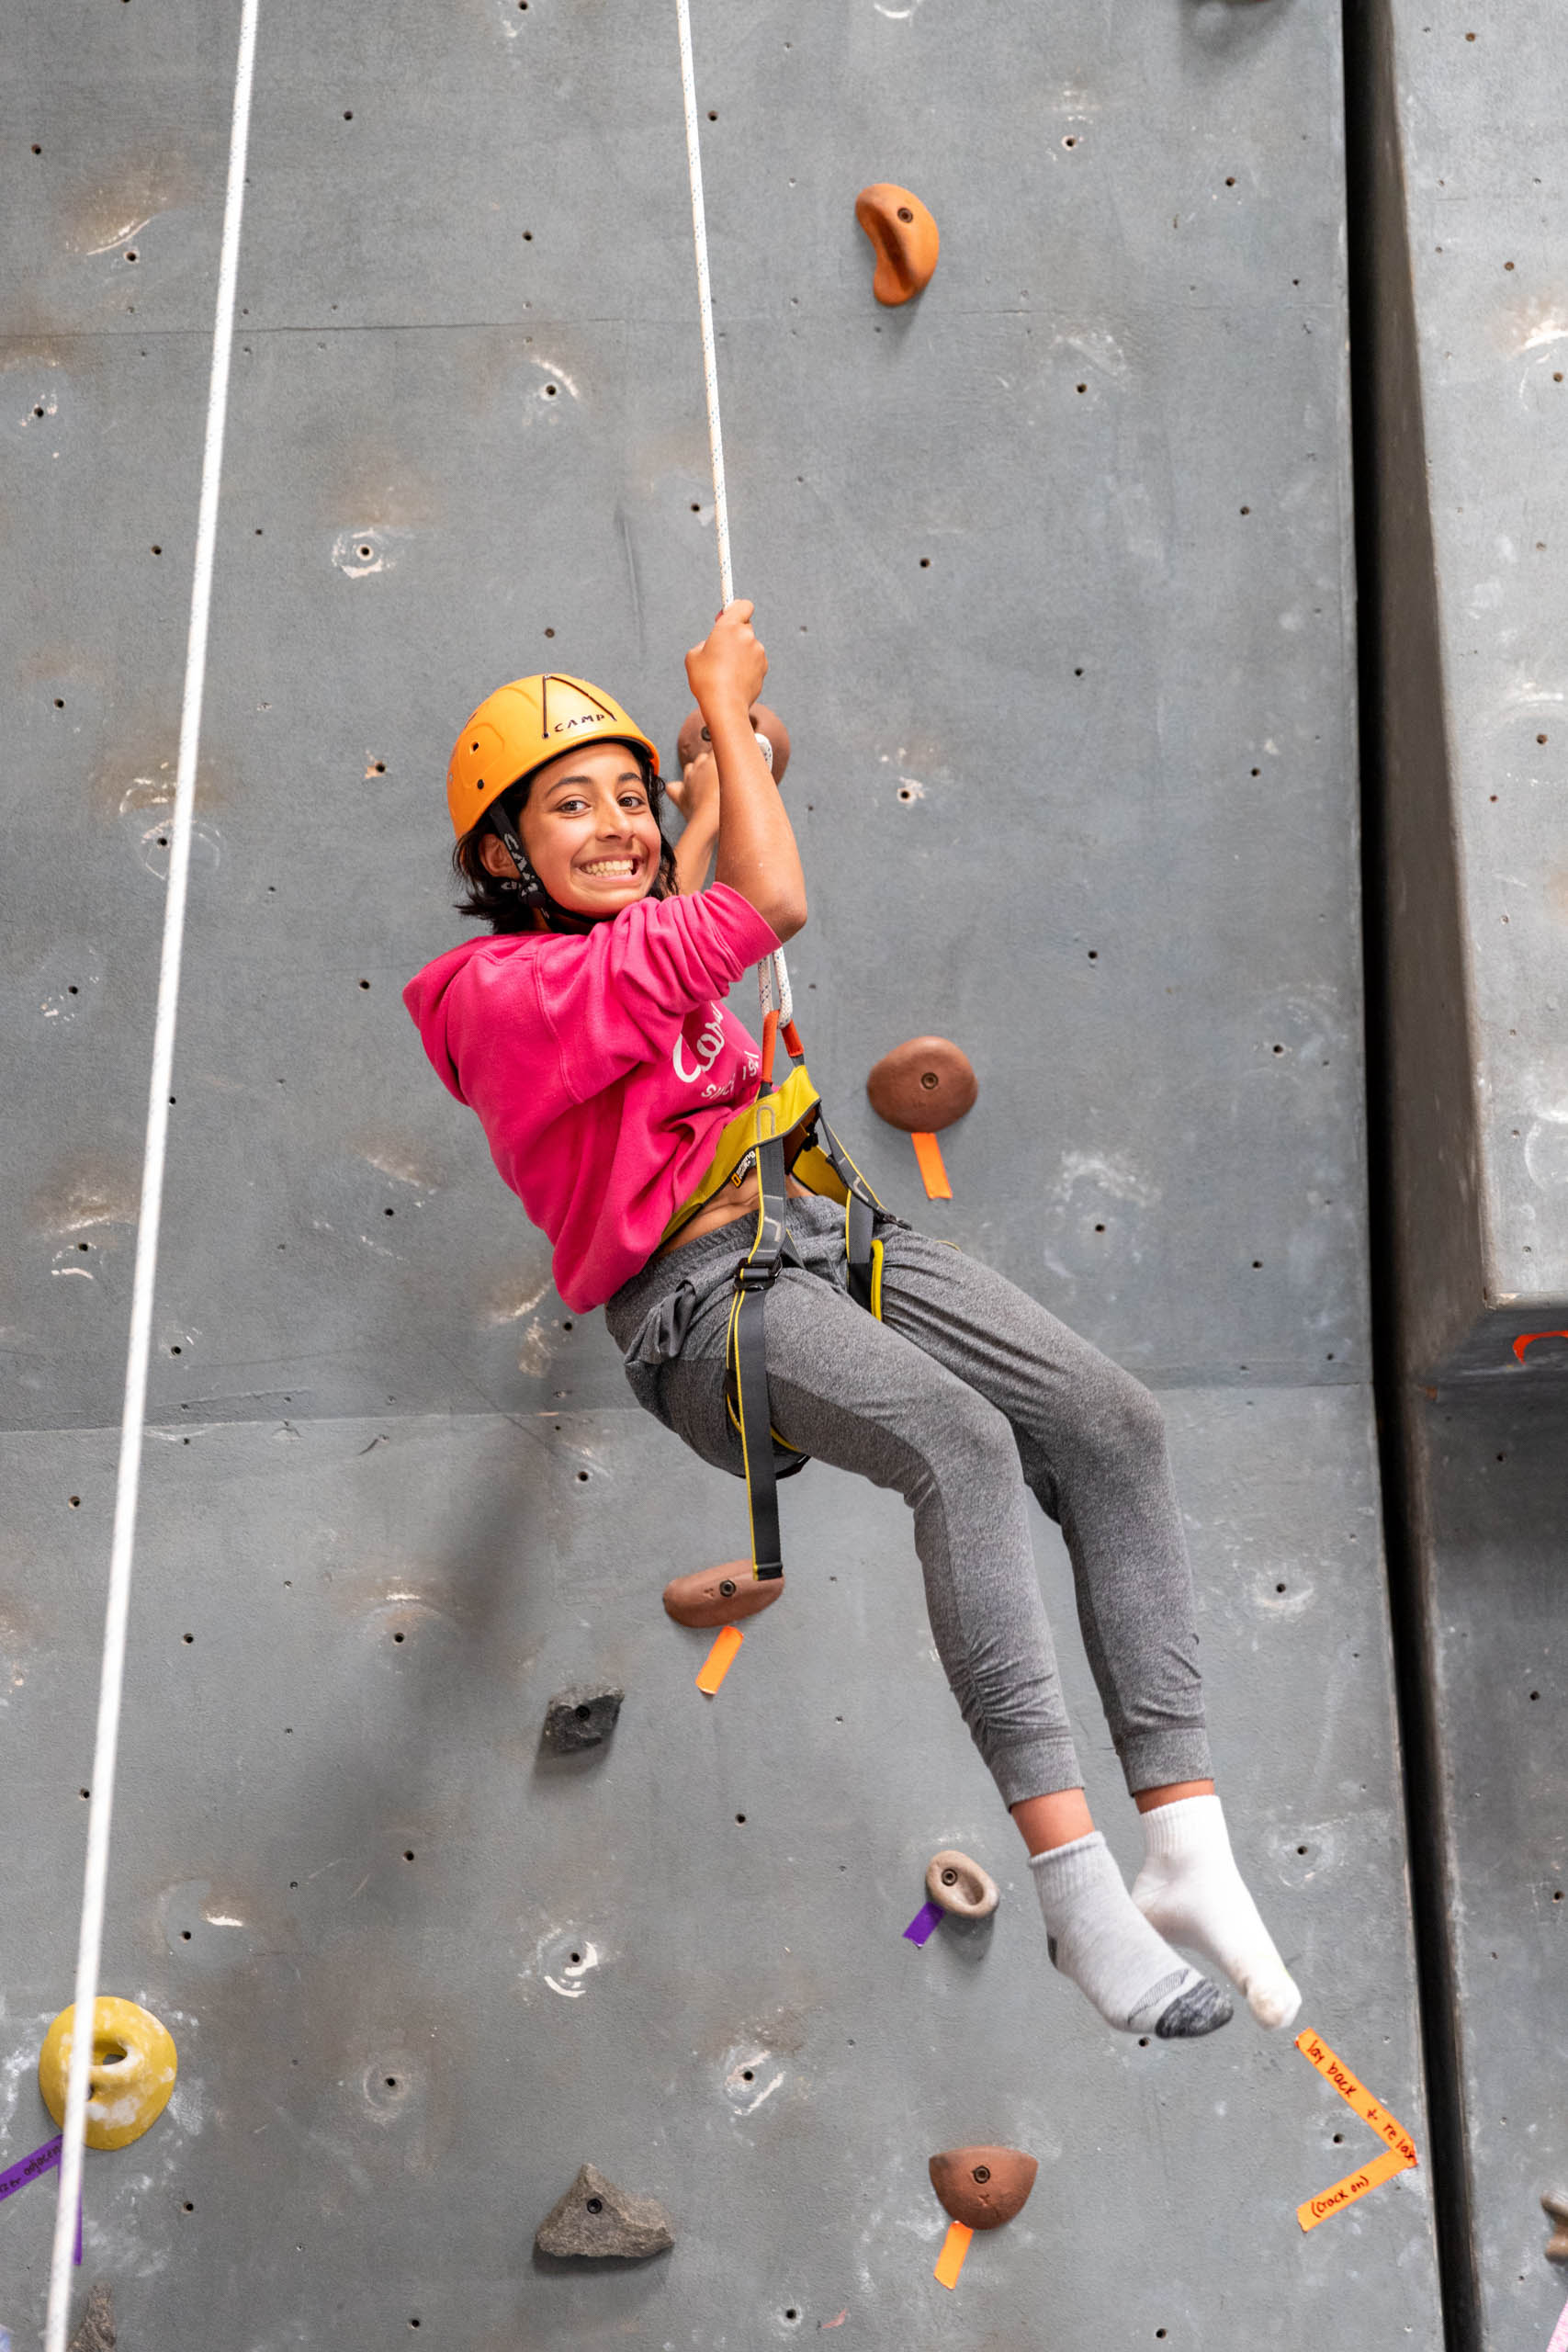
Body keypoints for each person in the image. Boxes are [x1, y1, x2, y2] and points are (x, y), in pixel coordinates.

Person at [404, 601, 1301, 2042]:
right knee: (957, 1440)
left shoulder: (612, 944)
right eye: (572, 806)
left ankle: (1188, 1846)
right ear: (501, 856)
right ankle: (1077, 1894)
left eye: (627, 797)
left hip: (832, 1235)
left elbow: (684, 901)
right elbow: (763, 910)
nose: (619, 824)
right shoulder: (499, 996)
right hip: (703, 1307)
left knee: (1111, 1425)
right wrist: (720, 701)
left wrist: (715, 776)